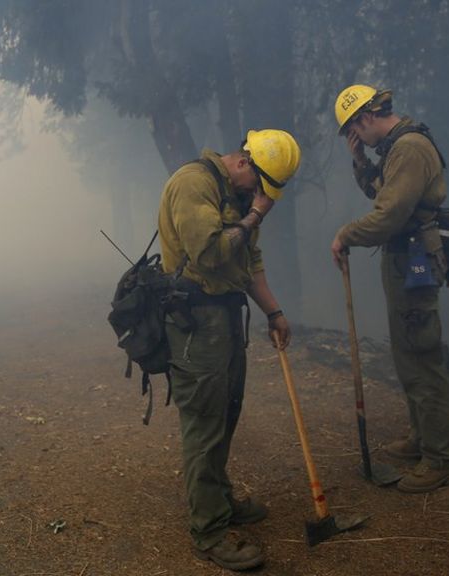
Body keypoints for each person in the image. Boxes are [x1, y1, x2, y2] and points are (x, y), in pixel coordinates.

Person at [157, 129, 300, 571]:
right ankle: (210, 528)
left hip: (224, 315)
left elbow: (248, 262)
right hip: (195, 321)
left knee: (226, 412)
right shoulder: (192, 183)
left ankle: (218, 497)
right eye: (259, 186)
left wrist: (274, 312)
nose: (259, 197)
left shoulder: (234, 197)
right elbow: (210, 254)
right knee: (204, 419)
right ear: (243, 163)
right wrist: (254, 216)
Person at [329, 85, 449, 493]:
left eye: (355, 130)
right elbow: (382, 193)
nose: (357, 137)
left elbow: (389, 215)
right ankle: (423, 438)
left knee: (421, 354)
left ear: (365, 118)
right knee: (408, 351)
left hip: (415, 260)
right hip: (406, 260)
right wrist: (359, 160)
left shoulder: (408, 149)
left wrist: (346, 235)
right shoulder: (394, 150)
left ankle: (440, 457)